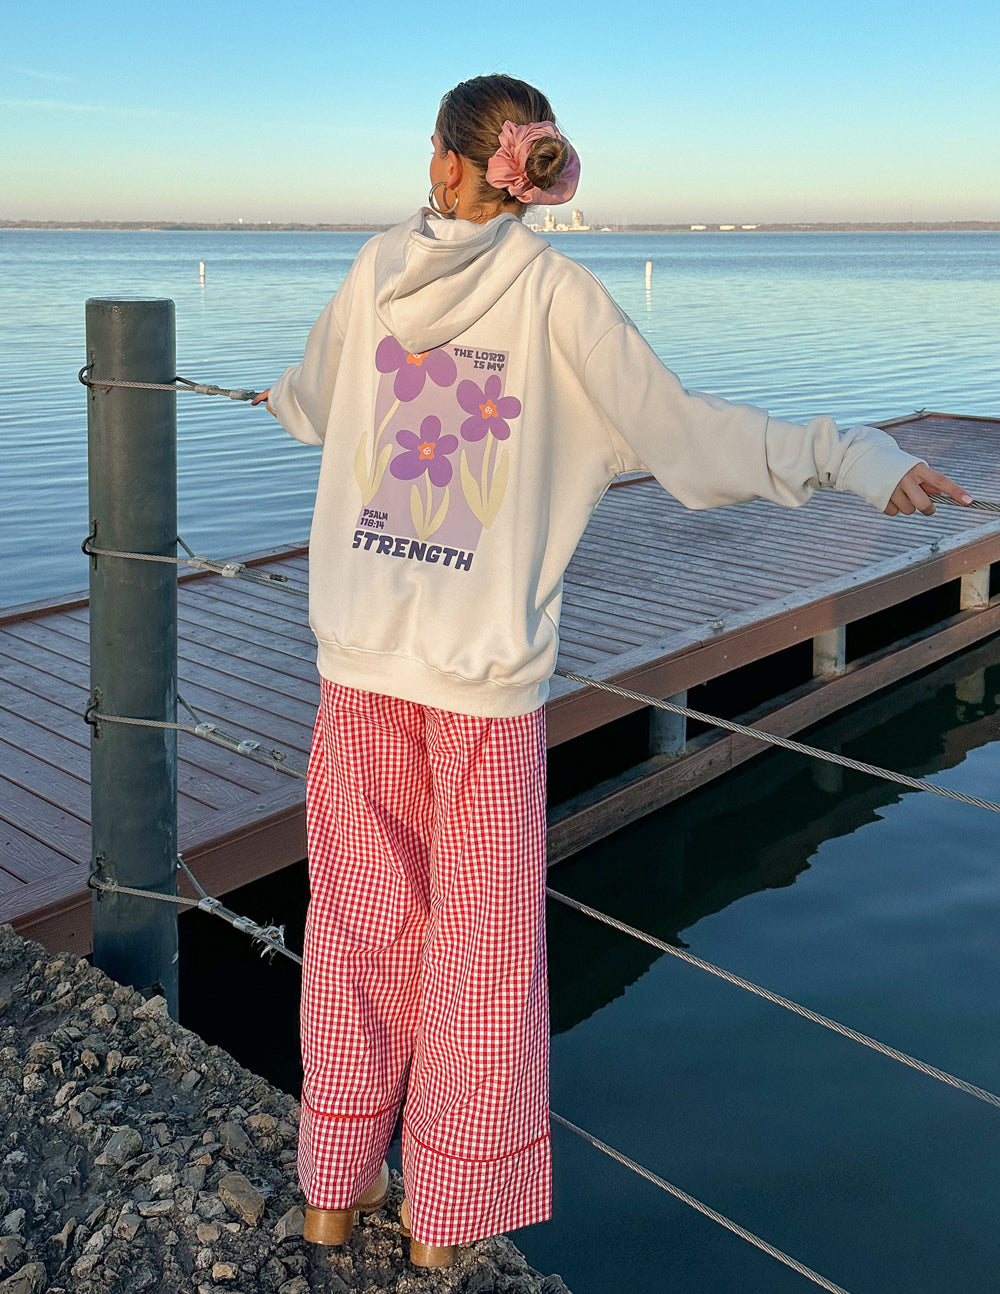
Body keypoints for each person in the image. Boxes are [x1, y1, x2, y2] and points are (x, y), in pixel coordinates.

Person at [254, 73, 971, 1267]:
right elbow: (689, 437)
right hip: (482, 687)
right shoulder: (560, 297)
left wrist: (274, 395)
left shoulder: (374, 268)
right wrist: (851, 457)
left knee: (357, 926)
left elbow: (318, 404)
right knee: (480, 957)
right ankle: (442, 1227)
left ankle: (332, 1185)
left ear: (443, 165)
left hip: (363, 668)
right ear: (530, 175)